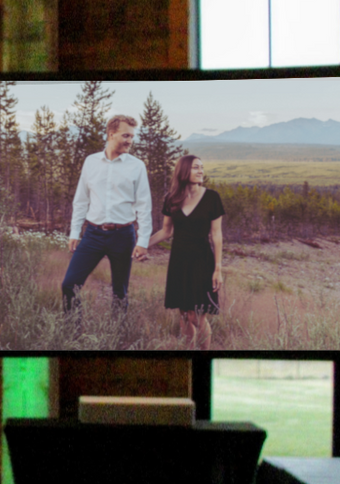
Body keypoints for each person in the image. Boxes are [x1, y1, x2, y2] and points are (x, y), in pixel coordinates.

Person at [61, 114, 151, 315]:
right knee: (69, 285)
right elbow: (81, 200)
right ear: (111, 134)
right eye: (126, 136)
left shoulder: (137, 166)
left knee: (120, 292)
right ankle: (71, 334)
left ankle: (118, 336)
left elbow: (144, 206)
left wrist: (143, 240)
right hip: (93, 234)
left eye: (132, 137)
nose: (130, 141)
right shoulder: (91, 162)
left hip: (123, 235)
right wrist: (74, 232)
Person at [153, 154, 224, 349]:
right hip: (179, 261)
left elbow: (216, 235)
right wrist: (142, 244)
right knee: (184, 314)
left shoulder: (212, 197)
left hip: (201, 261)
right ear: (183, 171)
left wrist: (218, 269)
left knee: (196, 315)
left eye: (201, 167)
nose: (201, 171)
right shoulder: (171, 199)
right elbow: (166, 231)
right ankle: (188, 353)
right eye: (195, 167)